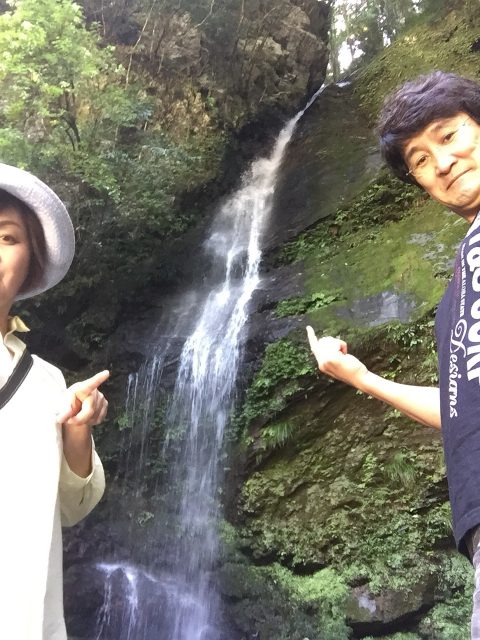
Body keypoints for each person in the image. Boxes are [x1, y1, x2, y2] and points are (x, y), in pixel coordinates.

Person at [306, 71, 480, 637]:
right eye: (421, 160)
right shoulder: (458, 288)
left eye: (450, 135)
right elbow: (463, 412)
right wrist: (362, 378)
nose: (443, 163)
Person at [0, 163, 108, 639]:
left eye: (7, 238)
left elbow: (70, 506)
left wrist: (76, 430)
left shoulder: (47, 381)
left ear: (31, 263)